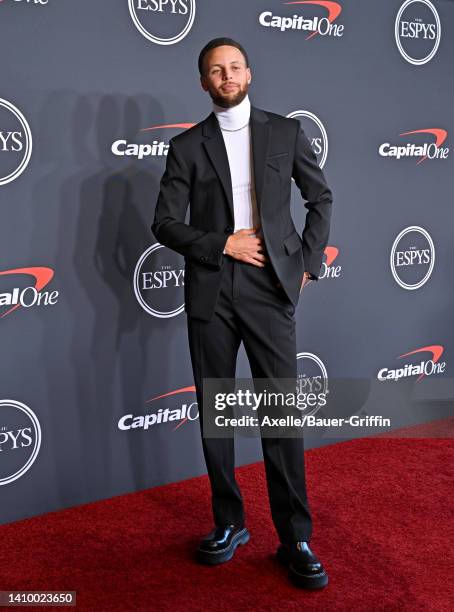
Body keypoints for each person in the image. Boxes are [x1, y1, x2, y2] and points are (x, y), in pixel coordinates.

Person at [151, 37, 333, 589]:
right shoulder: (186, 147)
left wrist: (307, 261)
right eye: (215, 70)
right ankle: (229, 522)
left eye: (234, 67)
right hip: (211, 288)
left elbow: (319, 199)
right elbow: (164, 223)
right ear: (203, 82)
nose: (226, 76)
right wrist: (221, 244)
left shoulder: (286, 132)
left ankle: (294, 536)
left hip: (271, 288)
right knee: (217, 412)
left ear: (249, 73)